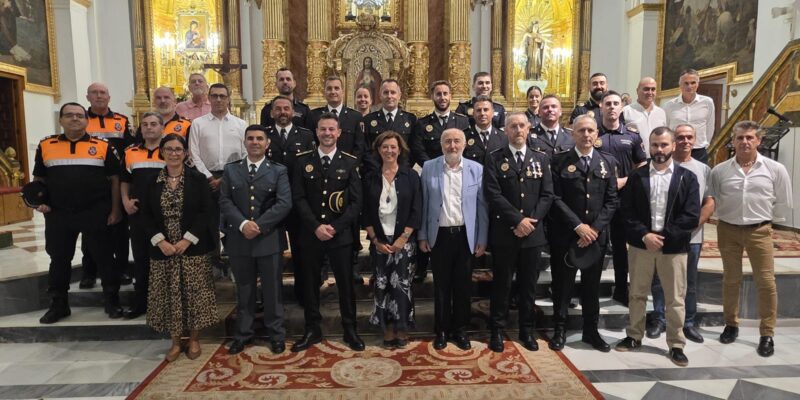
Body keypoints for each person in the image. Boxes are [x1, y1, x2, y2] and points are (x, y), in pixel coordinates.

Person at [615, 127, 700, 367]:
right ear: (648, 146)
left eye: (663, 145)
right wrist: (644, 235)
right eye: (654, 145)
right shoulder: (637, 176)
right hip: (642, 246)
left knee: (675, 298)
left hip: (673, 248)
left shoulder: (687, 177)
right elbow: (627, 211)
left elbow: (691, 215)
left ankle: (676, 344)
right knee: (637, 294)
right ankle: (634, 336)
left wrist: (662, 236)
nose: (659, 150)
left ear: (673, 146)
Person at [709, 120, 792, 357]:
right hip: (728, 230)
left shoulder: (775, 169)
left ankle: (767, 333)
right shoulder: (720, 170)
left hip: (760, 231)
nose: (745, 142)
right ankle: (731, 324)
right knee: (731, 280)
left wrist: (766, 223)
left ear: (758, 140)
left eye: (749, 138)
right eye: (740, 138)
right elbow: (713, 201)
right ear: (733, 141)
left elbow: (783, 202)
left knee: (766, 282)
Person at [35, 103, 123, 324]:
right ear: (61, 120)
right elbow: (40, 179)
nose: (75, 119)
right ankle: (58, 304)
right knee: (59, 258)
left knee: (104, 257)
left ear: (86, 120)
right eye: (69, 115)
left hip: (95, 210)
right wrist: (40, 201)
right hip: (59, 213)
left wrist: (115, 210)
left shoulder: (102, 146)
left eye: (79, 116)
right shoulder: (47, 145)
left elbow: (114, 180)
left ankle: (112, 300)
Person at [139, 134, 219, 362]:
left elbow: (206, 212)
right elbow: (145, 214)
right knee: (169, 294)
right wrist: (160, 241)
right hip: (163, 247)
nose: (174, 153)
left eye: (178, 149)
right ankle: (175, 342)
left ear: (185, 154)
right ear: (162, 152)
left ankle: (194, 339)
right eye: (169, 149)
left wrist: (187, 240)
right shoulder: (151, 181)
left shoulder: (198, 179)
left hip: (191, 246)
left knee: (195, 294)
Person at [290, 113, 365, 353]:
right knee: (310, 284)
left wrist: (336, 227)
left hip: (340, 235)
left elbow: (356, 202)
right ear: (316, 132)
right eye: (323, 129)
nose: (327, 134)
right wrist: (316, 226)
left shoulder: (350, 161)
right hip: (311, 234)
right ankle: (312, 328)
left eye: (332, 129)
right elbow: (298, 198)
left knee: (345, 284)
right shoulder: (303, 161)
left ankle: (350, 328)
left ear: (339, 133)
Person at [484, 113, 554, 352]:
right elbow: (493, 194)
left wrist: (530, 222)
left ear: (529, 128)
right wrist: (517, 220)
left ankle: (527, 330)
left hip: (533, 235)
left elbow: (547, 195)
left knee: (528, 286)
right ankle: (497, 330)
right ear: (505, 130)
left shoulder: (541, 158)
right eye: (513, 126)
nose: (518, 130)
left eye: (522, 125)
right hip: (506, 232)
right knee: (501, 285)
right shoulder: (494, 158)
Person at [548, 115, 618, 352]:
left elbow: (611, 200)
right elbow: (555, 198)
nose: (586, 135)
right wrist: (578, 226)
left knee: (591, 287)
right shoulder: (558, 162)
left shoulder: (607, 162)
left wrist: (595, 228)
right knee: (563, 286)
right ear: (572, 134)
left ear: (596, 133)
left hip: (596, 239)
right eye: (581, 131)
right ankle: (559, 329)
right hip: (567, 237)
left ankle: (591, 331)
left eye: (590, 130)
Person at [221, 125, 292, 355]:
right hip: (239, 239)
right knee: (245, 290)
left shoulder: (278, 170)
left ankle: (276, 335)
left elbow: (284, 203)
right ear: (244, 142)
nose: (255, 142)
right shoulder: (231, 170)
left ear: (267, 143)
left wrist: (258, 226)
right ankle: (243, 334)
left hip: (268, 239)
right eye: (250, 138)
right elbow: (225, 202)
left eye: (259, 138)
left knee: (273, 292)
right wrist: (243, 224)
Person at [419, 128, 488, 351]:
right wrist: (422, 235)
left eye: (457, 141)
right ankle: (440, 330)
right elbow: (423, 204)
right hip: (438, 236)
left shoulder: (476, 169)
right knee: (441, 286)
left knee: (462, 287)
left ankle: (460, 330)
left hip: (465, 236)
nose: (452, 146)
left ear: (464, 144)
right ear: (441, 145)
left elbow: (482, 208)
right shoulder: (429, 168)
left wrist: (482, 238)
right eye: (447, 141)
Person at [647, 124, 713, 344]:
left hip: (691, 238)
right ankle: (659, 319)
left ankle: (689, 323)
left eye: (689, 137)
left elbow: (708, 202)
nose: (685, 141)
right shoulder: (661, 166)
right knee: (658, 281)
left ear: (694, 140)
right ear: (674, 142)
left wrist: (689, 227)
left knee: (689, 282)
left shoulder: (703, 169)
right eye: (681, 137)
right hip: (662, 237)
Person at [363, 131, 422, 348]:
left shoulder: (410, 176)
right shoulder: (369, 177)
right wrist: (375, 239)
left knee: (402, 286)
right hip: (379, 240)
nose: (389, 150)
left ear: (400, 149)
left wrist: (403, 238)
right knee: (382, 284)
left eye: (393, 147)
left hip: (403, 241)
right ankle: (387, 328)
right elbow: (365, 212)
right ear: (378, 150)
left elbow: (417, 209)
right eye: (384, 147)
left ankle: (402, 327)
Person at [188, 83, 247, 275]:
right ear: (209, 98)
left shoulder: (240, 125)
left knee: (233, 220)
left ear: (229, 98)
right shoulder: (198, 124)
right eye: (214, 96)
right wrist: (208, 177)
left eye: (222, 96)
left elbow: (246, 155)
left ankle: (234, 261)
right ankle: (213, 263)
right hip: (205, 179)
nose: (219, 99)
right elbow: (193, 154)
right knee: (209, 221)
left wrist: (225, 178)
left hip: (233, 178)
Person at [596, 90, 647, 306]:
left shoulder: (632, 136)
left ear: (621, 107)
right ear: (601, 107)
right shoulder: (593, 134)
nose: (612, 107)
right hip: (597, 199)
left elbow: (642, 165)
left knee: (619, 246)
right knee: (595, 245)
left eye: (616, 103)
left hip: (623, 198)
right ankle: (590, 288)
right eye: (608, 103)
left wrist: (626, 180)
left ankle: (620, 288)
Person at [82, 82, 135, 289]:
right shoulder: (82, 119)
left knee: (120, 230)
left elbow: (130, 148)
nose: (99, 96)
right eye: (94, 93)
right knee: (90, 230)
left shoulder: (121, 121)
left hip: (118, 180)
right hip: (91, 182)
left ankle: (121, 269)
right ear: (88, 97)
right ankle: (89, 272)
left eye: (102, 92)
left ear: (109, 97)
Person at [263, 95, 315, 301]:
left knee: (301, 250)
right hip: (270, 202)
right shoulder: (263, 136)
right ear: (271, 112)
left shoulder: (305, 135)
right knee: (270, 253)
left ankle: (303, 294)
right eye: (278, 109)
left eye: (286, 108)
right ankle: (273, 297)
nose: (283, 112)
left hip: (297, 202)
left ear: (293, 112)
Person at [120, 112, 167, 320]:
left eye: (154, 124)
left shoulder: (170, 151)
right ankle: (141, 302)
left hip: (165, 214)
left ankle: (164, 303)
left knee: (164, 259)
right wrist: (125, 200)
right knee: (141, 258)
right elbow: (124, 180)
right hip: (138, 213)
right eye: (145, 124)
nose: (149, 128)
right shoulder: (131, 152)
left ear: (162, 128)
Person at [361, 79, 417, 174]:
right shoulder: (368, 120)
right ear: (380, 95)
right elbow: (365, 149)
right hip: (375, 173)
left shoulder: (410, 119)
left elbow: (414, 149)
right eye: (386, 92)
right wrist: (378, 168)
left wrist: (401, 168)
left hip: (403, 172)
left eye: (393, 92)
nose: (389, 96)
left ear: (399, 95)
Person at [410, 80, 470, 166]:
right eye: (438, 94)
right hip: (432, 173)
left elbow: (467, 149)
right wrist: (432, 167)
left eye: (445, 94)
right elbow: (418, 151)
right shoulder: (422, 124)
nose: (442, 98)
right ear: (432, 97)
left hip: (457, 171)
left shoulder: (463, 121)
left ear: (450, 96)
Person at [663, 69, 716, 164]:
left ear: (698, 84)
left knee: (699, 178)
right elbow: (666, 128)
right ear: (680, 85)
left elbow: (710, 126)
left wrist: (705, 143)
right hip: (676, 150)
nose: (689, 86)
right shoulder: (669, 105)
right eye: (686, 83)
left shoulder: (707, 102)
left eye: (693, 83)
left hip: (698, 150)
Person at [310, 76, 367, 160]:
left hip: (347, 167)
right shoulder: (314, 115)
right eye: (329, 88)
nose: (333, 92)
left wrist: (351, 166)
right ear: (324, 92)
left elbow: (359, 146)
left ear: (343, 92)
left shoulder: (355, 117)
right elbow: (311, 143)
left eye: (336, 88)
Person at [622, 77, 667, 157]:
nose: (650, 92)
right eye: (646, 89)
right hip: (635, 161)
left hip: (657, 159)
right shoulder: (626, 111)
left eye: (653, 89)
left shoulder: (661, 112)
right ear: (637, 91)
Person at [463, 95, 507, 164]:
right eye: (478, 110)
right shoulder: (464, 137)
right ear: (473, 114)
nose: (482, 113)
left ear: (492, 113)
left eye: (486, 110)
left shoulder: (503, 137)